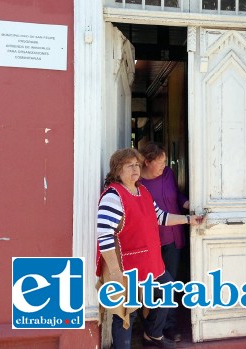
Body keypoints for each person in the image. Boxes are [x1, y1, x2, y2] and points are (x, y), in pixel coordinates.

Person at [95, 148, 202, 349]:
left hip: (151, 262)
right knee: (127, 312)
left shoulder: (143, 191)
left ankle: (152, 333)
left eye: (137, 164)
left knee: (167, 290)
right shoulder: (113, 196)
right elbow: (104, 235)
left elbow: (161, 216)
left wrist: (189, 220)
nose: (136, 169)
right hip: (127, 266)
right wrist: (115, 271)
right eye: (130, 165)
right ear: (118, 170)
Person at [138, 143, 188, 342]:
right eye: (160, 162)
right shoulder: (138, 182)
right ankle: (151, 329)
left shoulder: (168, 174)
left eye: (165, 161)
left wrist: (185, 203)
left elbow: (176, 193)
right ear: (147, 162)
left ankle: (169, 326)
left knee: (171, 283)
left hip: (173, 235)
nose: (164, 165)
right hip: (151, 241)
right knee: (153, 286)